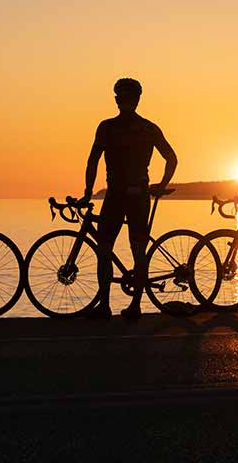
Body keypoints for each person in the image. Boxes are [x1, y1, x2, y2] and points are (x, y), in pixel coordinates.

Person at [81, 78, 178, 320]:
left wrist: (87, 192)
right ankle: (130, 305)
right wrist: (161, 186)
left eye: (123, 98)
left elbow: (93, 161)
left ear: (125, 100)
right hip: (133, 195)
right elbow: (172, 159)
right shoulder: (147, 128)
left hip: (120, 195)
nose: (122, 101)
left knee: (111, 250)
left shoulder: (108, 127)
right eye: (121, 98)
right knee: (132, 251)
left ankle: (111, 305)